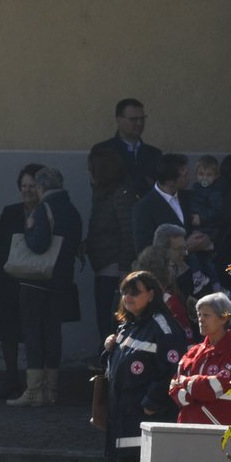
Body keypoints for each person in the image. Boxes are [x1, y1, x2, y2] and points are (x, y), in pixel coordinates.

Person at [81, 270, 186, 462]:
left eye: (134, 292)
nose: (127, 298)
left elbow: (172, 370)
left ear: (151, 294)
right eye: (125, 292)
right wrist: (108, 350)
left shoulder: (163, 328)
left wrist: (152, 403)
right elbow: (117, 365)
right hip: (126, 418)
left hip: (150, 420)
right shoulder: (129, 327)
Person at [8, 166, 81, 407]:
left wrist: (29, 229)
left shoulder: (43, 209)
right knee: (52, 333)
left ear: (41, 187)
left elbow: (38, 245)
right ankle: (51, 390)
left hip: (36, 281)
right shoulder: (72, 210)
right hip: (62, 281)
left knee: (33, 334)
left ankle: (33, 391)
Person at [0, 165, 43, 398]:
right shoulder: (11, 212)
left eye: (32, 186)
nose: (27, 191)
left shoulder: (47, 210)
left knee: (37, 331)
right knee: (9, 331)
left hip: (39, 279)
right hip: (11, 279)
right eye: (23, 186)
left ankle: (37, 381)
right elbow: (1, 245)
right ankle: (11, 377)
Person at [83, 146, 138, 346]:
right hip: (103, 265)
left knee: (111, 324)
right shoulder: (101, 194)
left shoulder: (120, 194)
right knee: (104, 323)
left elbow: (127, 232)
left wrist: (124, 268)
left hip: (114, 270)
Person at [170, 292, 231, 426]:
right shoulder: (194, 351)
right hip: (186, 428)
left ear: (224, 318)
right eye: (199, 315)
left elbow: (216, 387)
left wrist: (186, 383)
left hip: (221, 431)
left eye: (206, 315)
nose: (200, 319)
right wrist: (199, 391)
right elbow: (173, 388)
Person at [91, 98, 163, 198]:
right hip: (113, 211)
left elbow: (160, 188)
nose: (139, 123)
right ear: (119, 120)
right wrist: (144, 181)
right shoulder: (103, 150)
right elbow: (106, 187)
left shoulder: (154, 154)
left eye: (142, 118)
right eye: (133, 119)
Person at [131, 153, 192, 255]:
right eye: (184, 176)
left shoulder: (188, 197)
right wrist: (186, 247)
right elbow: (145, 250)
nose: (189, 178)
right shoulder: (144, 208)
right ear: (170, 181)